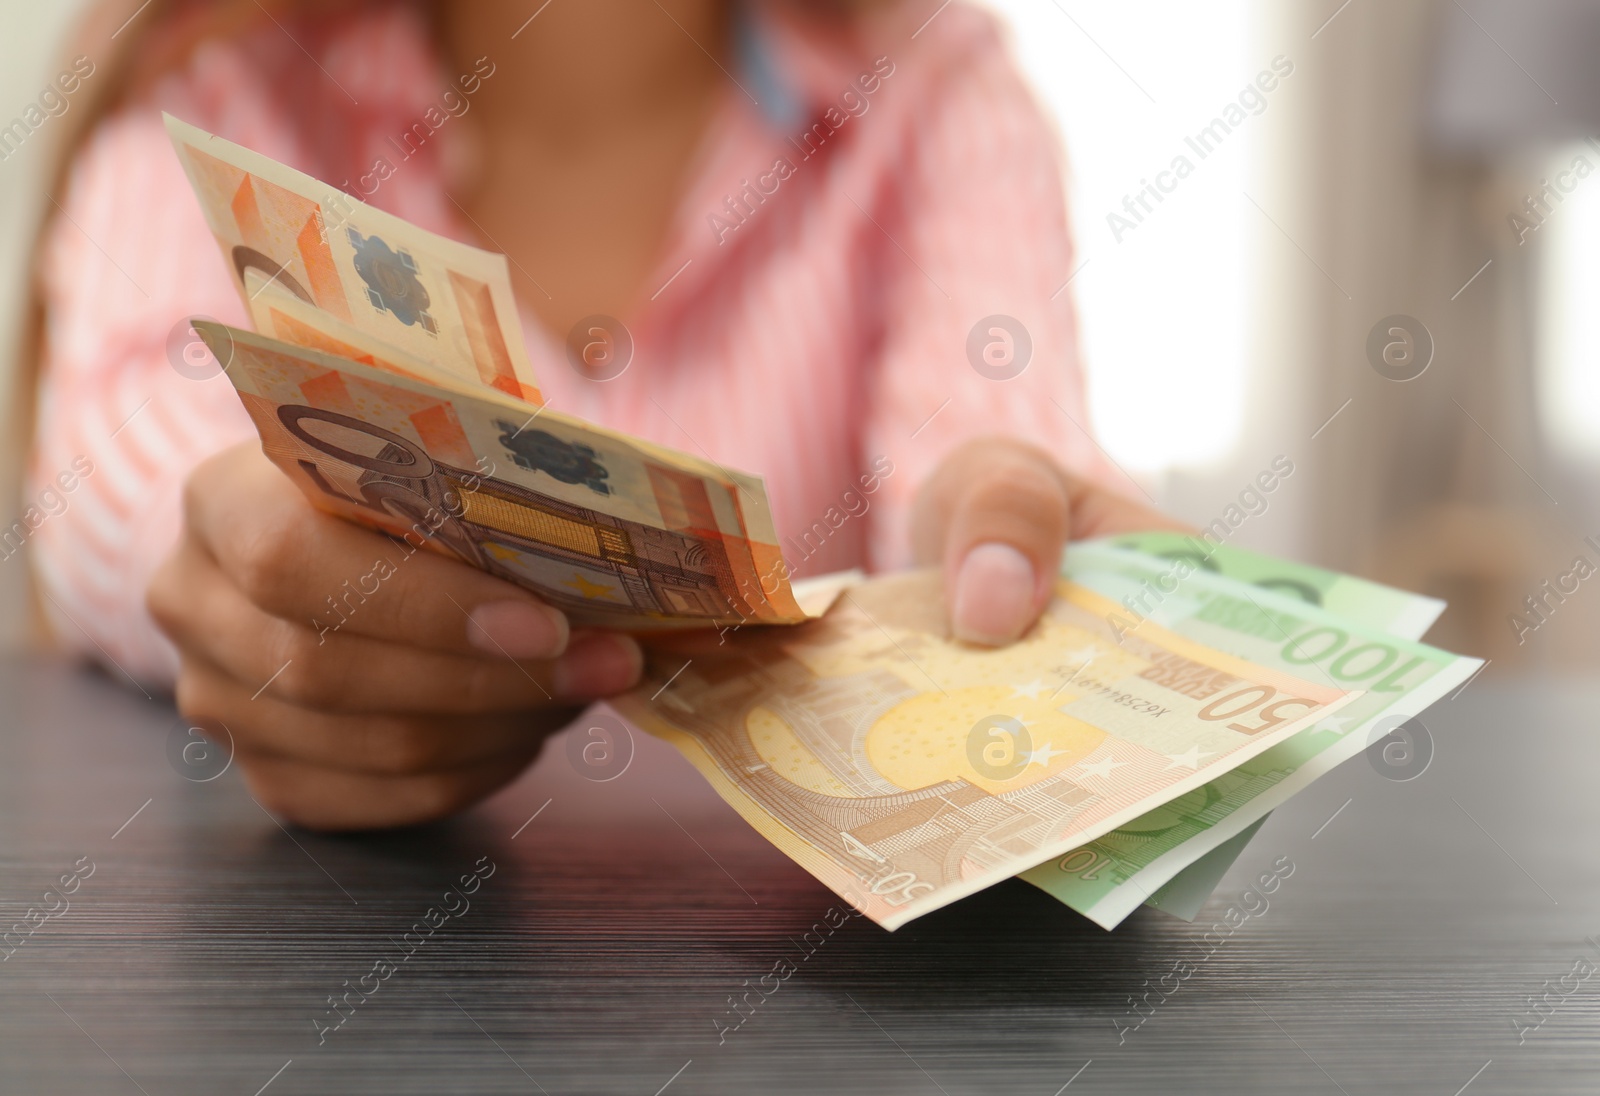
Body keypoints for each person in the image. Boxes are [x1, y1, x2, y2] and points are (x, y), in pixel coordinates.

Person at [22, 0, 1182, 829]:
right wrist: (228, 559)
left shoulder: (932, 84)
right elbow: (120, 438)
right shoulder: (221, 75)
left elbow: (985, 423)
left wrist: (1004, 514)